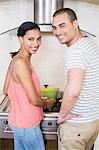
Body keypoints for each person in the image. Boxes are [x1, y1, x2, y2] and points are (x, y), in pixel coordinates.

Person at [52, 8, 99, 150]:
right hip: (92, 122)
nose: (57, 32)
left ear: (75, 24)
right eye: (54, 28)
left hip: (76, 127)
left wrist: (61, 115)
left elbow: (73, 91)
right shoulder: (89, 43)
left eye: (62, 25)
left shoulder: (76, 51)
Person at [3, 21, 54, 150]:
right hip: (28, 124)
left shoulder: (15, 59)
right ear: (20, 39)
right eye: (30, 39)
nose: (36, 44)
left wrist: (22, 99)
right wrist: (47, 103)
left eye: (38, 39)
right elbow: (34, 100)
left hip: (18, 124)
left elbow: (5, 90)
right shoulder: (21, 63)